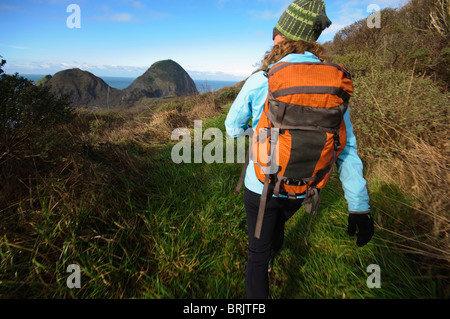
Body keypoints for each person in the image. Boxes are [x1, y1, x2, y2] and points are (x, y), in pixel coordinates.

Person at [225, 0, 374, 299]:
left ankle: (264, 261)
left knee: (256, 253)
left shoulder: (262, 80)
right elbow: (346, 149)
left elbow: (231, 128)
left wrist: (256, 133)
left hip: (261, 184)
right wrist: (359, 207)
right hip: (305, 185)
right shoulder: (334, 86)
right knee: (278, 222)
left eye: (276, 31)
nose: (272, 37)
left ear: (284, 37)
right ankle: (271, 253)